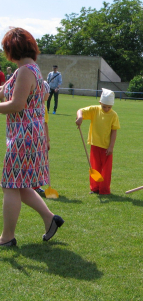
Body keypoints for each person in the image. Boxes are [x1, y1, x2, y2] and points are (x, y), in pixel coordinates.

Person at [0, 27, 64, 247]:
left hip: (23, 135)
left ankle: (7, 237)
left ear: (12, 49)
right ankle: (50, 219)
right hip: (28, 134)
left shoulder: (26, 71)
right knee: (20, 184)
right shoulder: (28, 69)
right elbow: (4, 92)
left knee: (10, 185)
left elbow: (17, 104)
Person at [75, 88, 120, 195]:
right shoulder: (95, 110)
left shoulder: (113, 115)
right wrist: (80, 117)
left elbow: (114, 132)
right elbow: (80, 111)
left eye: (109, 107)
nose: (107, 109)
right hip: (95, 145)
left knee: (106, 170)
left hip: (106, 147)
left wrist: (111, 147)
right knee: (94, 168)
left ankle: (104, 190)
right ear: (100, 103)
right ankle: (95, 188)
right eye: (104, 106)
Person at [34, 81, 51, 196]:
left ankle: (36, 186)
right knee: (35, 163)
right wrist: (47, 140)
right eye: (47, 93)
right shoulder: (39, 106)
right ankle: (34, 186)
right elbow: (44, 124)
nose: (49, 95)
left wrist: (47, 140)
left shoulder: (42, 106)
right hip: (36, 138)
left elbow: (45, 124)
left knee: (37, 163)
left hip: (39, 138)